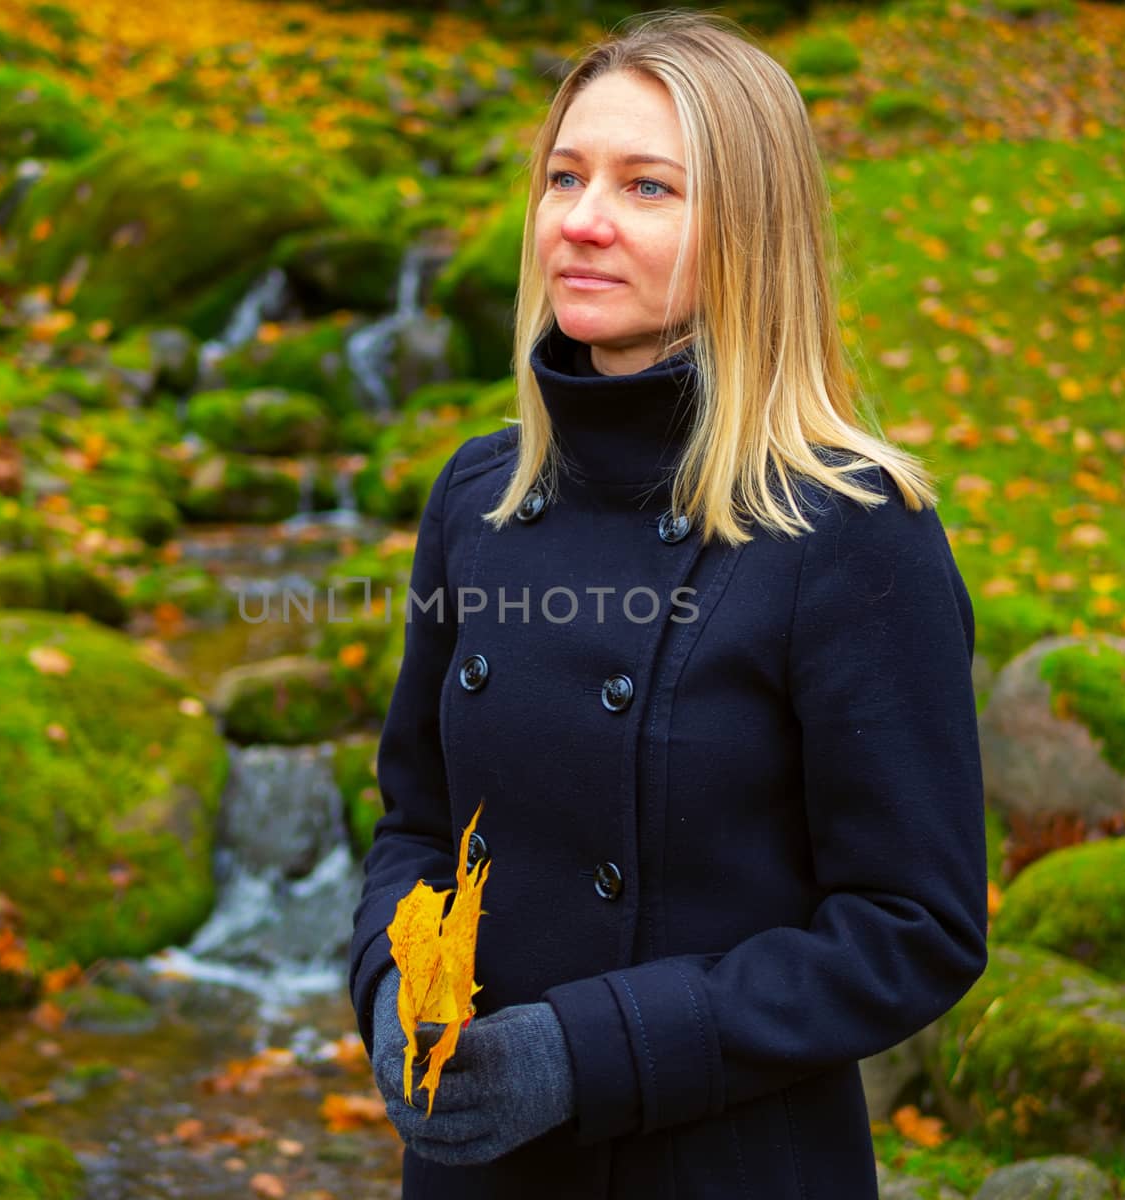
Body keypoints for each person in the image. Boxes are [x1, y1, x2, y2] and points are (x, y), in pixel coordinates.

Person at [347, 11, 988, 1199]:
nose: (580, 221)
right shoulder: (480, 496)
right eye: (565, 177)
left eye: (649, 188)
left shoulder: (850, 531)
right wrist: (393, 986)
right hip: (471, 1162)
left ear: (750, 232)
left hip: (725, 1166)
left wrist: (585, 1054)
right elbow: (414, 825)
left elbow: (912, 928)